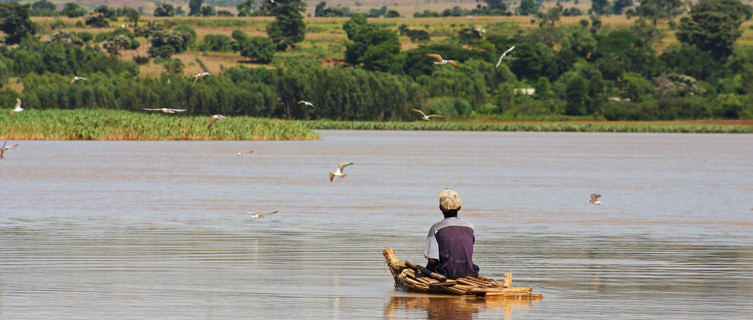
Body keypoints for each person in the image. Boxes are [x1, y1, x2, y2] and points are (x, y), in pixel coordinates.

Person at [424, 189, 479, 279]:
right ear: (459, 207)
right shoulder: (470, 226)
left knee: (430, 266)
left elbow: (432, 260)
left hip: (446, 275)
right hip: (469, 273)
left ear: (440, 208)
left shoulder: (436, 228)